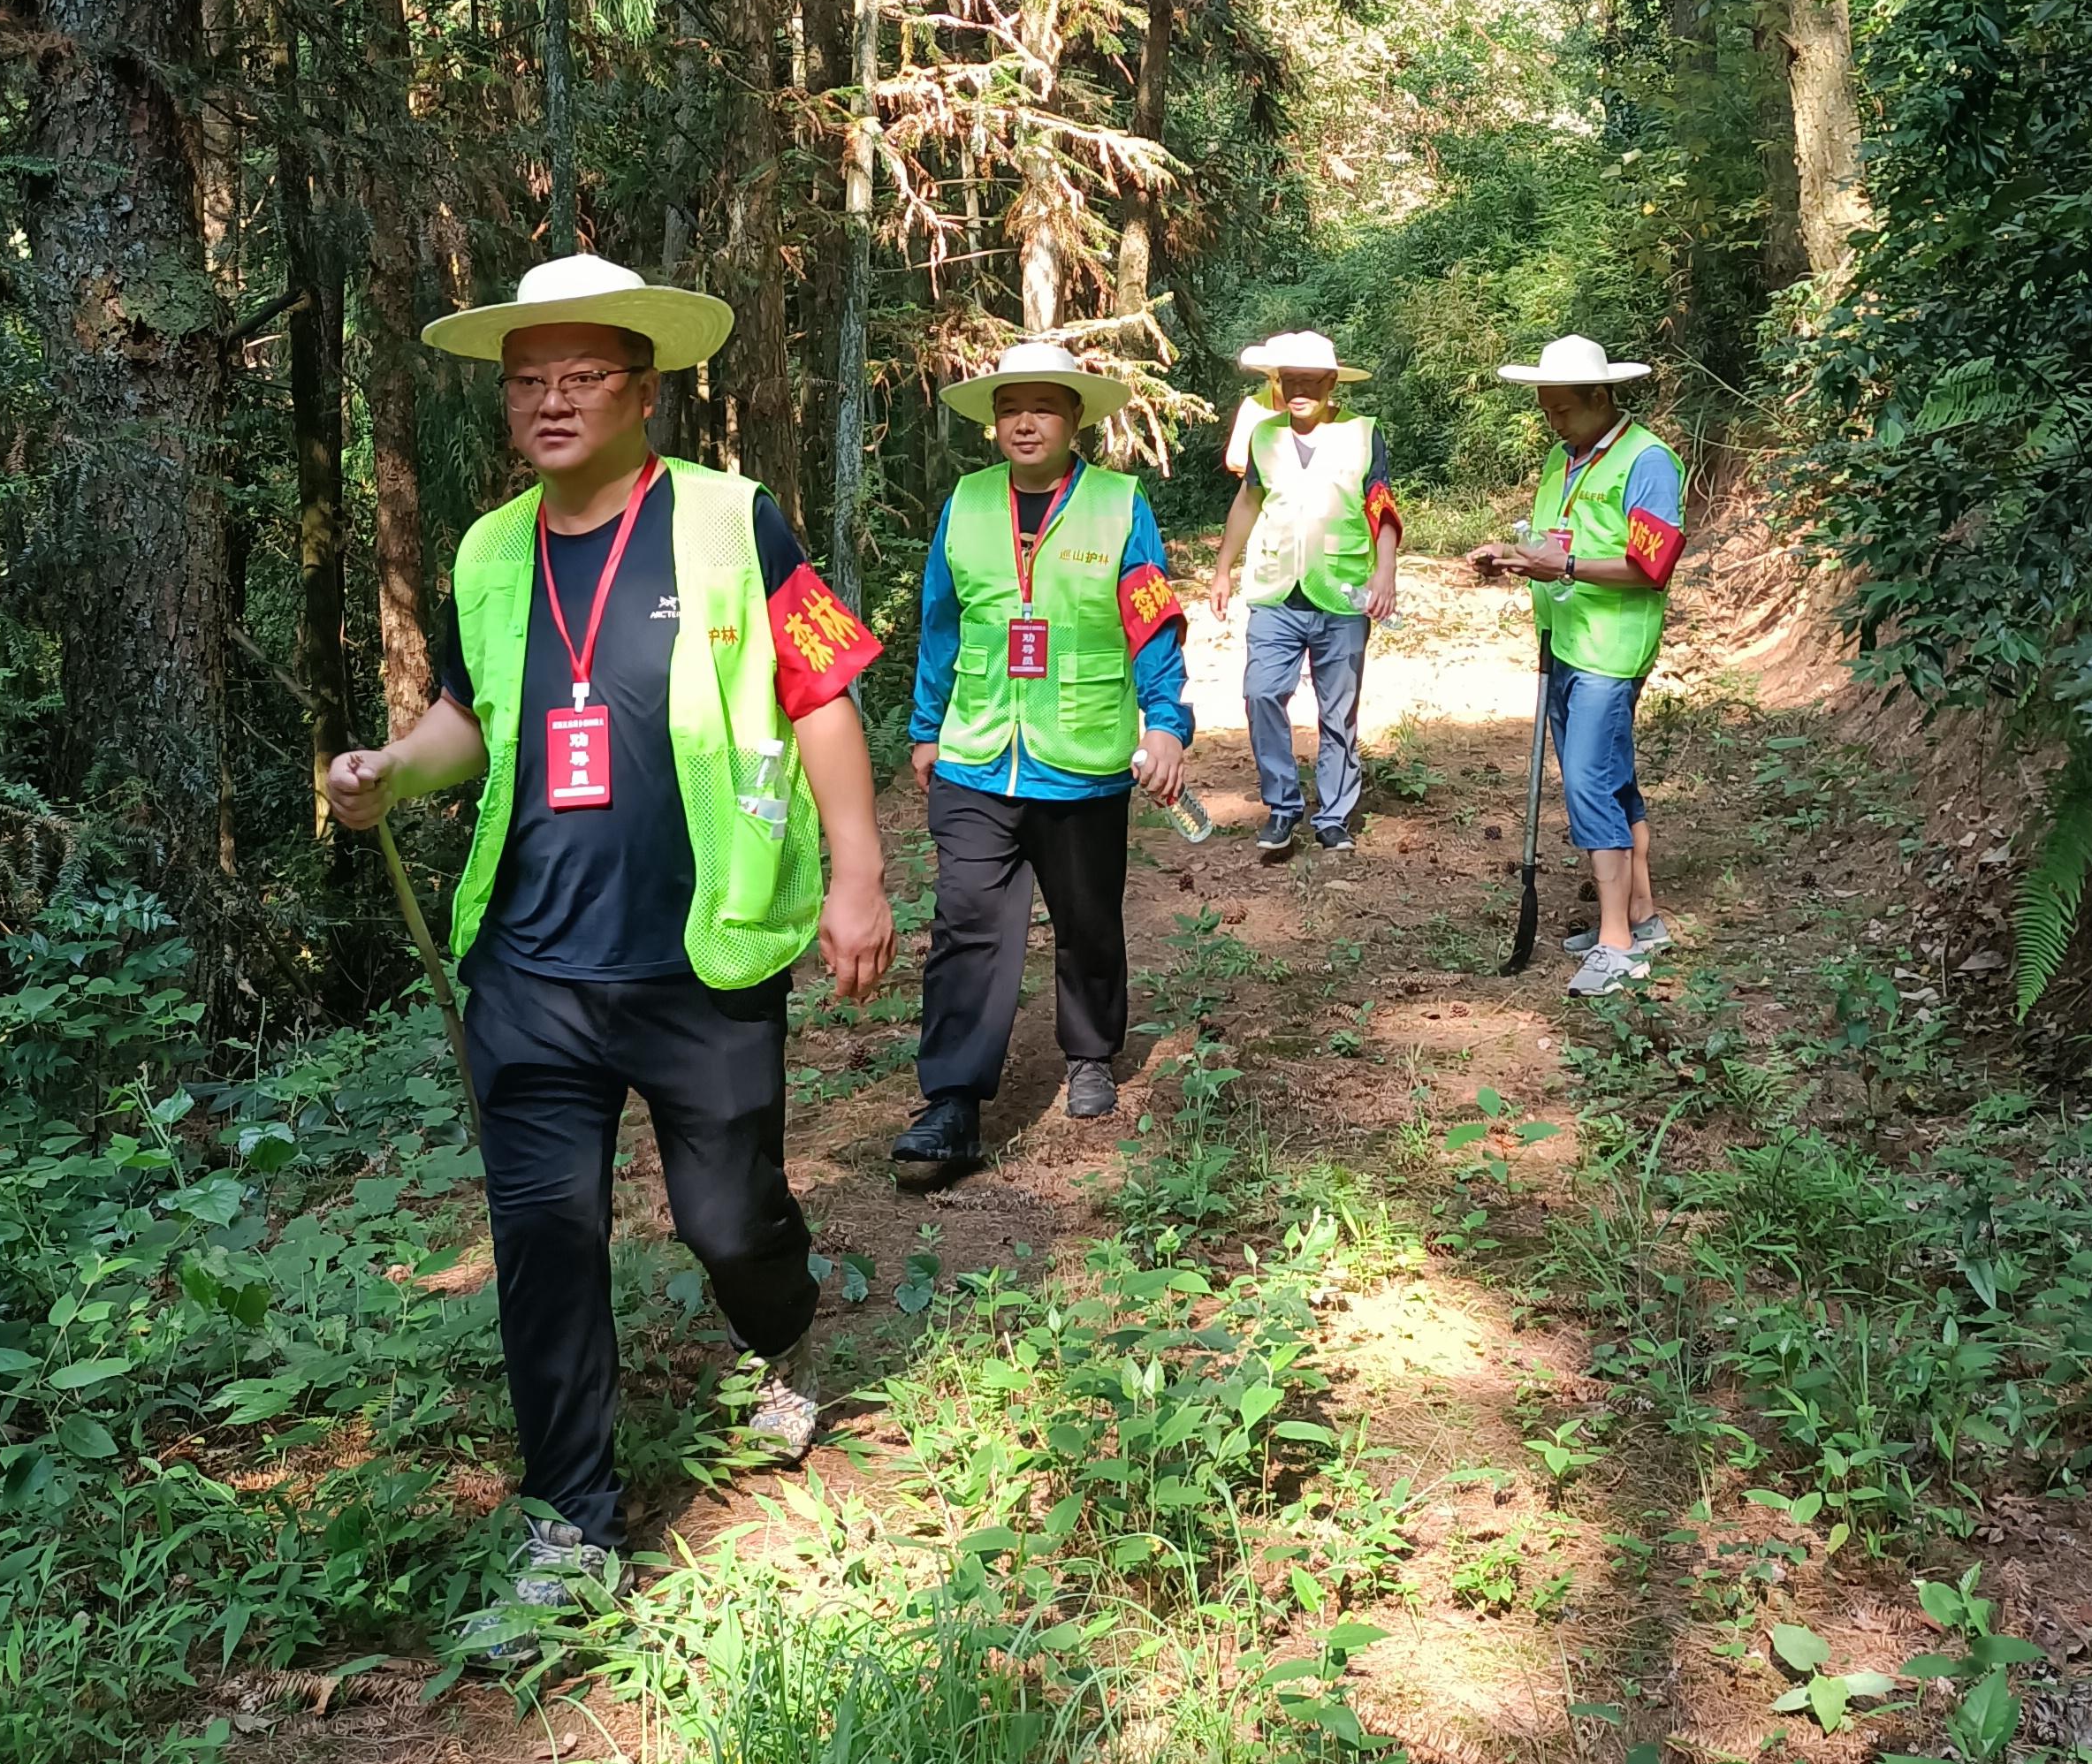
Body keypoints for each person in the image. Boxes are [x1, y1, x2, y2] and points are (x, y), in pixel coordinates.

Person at [327, 250, 895, 1629]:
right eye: (532, 381)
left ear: (643, 390)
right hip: (528, 963)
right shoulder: (481, 553)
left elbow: (820, 694)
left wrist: (860, 875)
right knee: (545, 1237)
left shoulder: (733, 520)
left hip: (701, 956)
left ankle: (781, 1327)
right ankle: (573, 1519)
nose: (554, 400)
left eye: (584, 376)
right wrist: (392, 773)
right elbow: (474, 726)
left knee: (727, 1219)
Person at [891, 338, 1192, 1187]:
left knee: (1087, 915)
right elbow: (941, 620)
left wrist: (1165, 724)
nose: (1026, 422)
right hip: (977, 750)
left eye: (1045, 407)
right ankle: (951, 1101)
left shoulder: (1119, 505)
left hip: (1083, 752)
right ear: (995, 425)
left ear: (1074, 422)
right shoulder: (967, 503)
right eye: (1011, 407)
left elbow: (1151, 620)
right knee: (967, 927)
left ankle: (1091, 1051)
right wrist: (925, 727)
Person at [1471, 331, 1685, 1000]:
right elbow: (1558, 542)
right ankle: (1642, 916)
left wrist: (1558, 566)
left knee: (1589, 785)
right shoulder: (1564, 458)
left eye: (1562, 410)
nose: (1551, 421)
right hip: (1564, 639)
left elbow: (1651, 568)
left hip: (1610, 650)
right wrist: (1514, 556)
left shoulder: (1648, 462)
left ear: (1601, 397)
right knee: (1613, 779)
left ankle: (1616, 942)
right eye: (1545, 409)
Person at [1206, 331, 1401, 859]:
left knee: (1338, 711)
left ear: (1331, 383)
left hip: (1342, 594)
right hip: (1275, 591)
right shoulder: (1264, 436)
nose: (1298, 391)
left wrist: (1386, 573)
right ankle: (1282, 806)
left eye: (1310, 382)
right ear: (1278, 383)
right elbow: (1247, 502)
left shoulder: (1364, 434)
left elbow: (1381, 507)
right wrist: (1223, 567)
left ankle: (1333, 815)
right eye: (1289, 381)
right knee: (1262, 692)